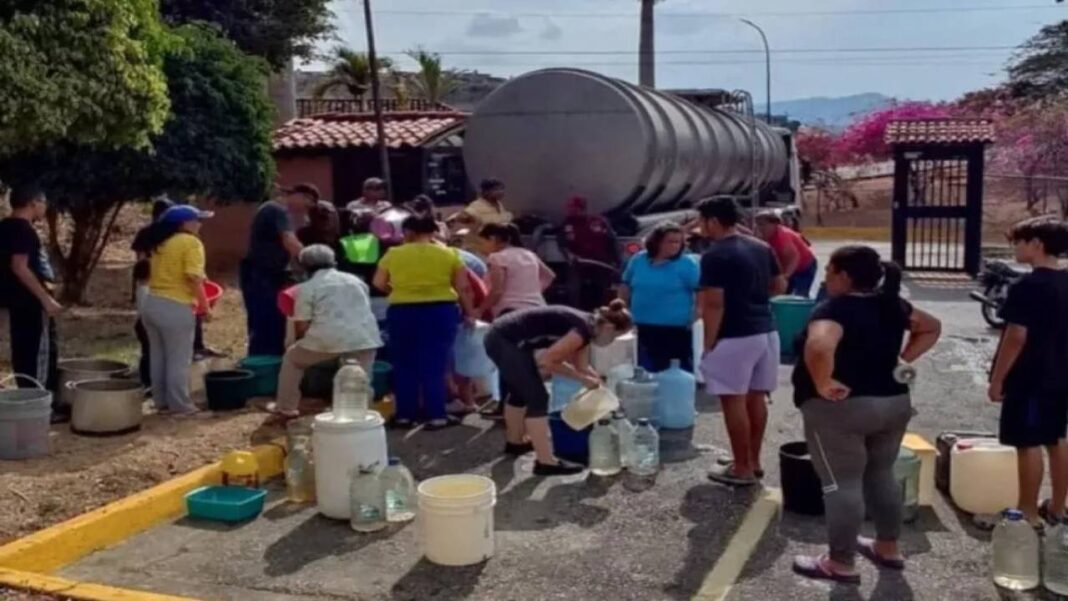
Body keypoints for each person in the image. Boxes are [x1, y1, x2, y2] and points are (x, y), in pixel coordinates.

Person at [791, 246, 941, 583]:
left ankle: (840, 562)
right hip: (892, 404)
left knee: (840, 483)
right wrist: (903, 359)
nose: (826, 278)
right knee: (881, 473)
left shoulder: (833, 310)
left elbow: (819, 346)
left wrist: (822, 382)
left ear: (844, 276)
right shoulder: (892, 305)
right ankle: (888, 547)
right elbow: (931, 327)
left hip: (841, 410)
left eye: (829, 271)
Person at [484, 302, 633, 476]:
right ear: (608, 327)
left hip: (506, 337)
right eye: (615, 336)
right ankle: (546, 462)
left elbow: (582, 366)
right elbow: (548, 361)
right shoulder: (582, 330)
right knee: (538, 398)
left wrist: (598, 383)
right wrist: (583, 379)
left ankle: (515, 442)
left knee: (520, 391)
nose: (612, 342)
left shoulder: (589, 327)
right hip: (504, 339)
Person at [697, 197, 786, 487]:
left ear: (712, 221)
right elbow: (779, 284)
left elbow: (713, 304)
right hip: (766, 330)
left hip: (733, 334)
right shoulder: (761, 247)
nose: (700, 227)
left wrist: (709, 344)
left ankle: (742, 468)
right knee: (756, 398)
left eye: (702, 221)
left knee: (732, 400)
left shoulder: (715, 255)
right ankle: (753, 460)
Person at [988, 218, 1068, 529]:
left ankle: (1028, 512)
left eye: (1018, 242)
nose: (1015, 249)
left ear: (1036, 244)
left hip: (1030, 376)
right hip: (1061, 373)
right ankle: (1058, 507)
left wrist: (997, 379)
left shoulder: (1027, 286)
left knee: (1028, 440)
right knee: (1056, 437)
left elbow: (1015, 337)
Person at [373, 215, 477, 428]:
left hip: (402, 311)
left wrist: (399, 291)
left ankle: (405, 415)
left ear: (408, 232)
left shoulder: (393, 253)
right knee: (436, 363)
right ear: (432, 232)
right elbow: (463, 287)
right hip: (441, 311)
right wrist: (470, 313)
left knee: (404, 363)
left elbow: (378, 282)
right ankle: (437, 415)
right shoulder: (450, 254)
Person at [271, 245, 382, 419]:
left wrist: (298, 342)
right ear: (333, 262)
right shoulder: (356, 281)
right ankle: (362, 413)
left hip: (327, 339)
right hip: (365, 337)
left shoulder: (306, 288)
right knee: (359, 375)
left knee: (292, 360)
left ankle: (286, 407)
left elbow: (301, 326)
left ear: (304, 266)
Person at [139, 205, 215, 416]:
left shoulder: (160, 243)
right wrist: (205, 306)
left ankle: (161, 402)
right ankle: (181, 406)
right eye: (197, 219)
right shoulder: (191, 242)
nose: (200, 224)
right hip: (175, 306)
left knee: (158, 356)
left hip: (152, 303)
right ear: (184, 223)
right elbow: (193, 278)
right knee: (178, 359)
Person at [0, 183, 63, 418]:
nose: (45, 207)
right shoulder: (22, 230)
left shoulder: (4, 227)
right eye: (43, 202)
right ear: (33, 203)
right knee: (41, 352)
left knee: (23, 351)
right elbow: (20, 267)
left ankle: (27, 401)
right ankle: (42, 405)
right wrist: (45, 299)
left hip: (16, 302)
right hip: (30, 302)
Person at [241, 184, 317, 356]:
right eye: (308, 203)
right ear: (300, 196)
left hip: (263, 273)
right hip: (262, 275)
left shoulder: (274, 210)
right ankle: (266, 363)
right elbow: (289, 240)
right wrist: (313, 260)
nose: (306, 209)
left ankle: (265, 360)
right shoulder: (277, 210)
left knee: (267, 322)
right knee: (268, 322)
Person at [619, 221, 701, 372]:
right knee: (643, 371)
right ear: (656, 241)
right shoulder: (639, 260)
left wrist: (696, 314)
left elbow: (700, 291)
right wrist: (621, 308)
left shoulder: (686, 264)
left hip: (675, 329)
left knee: (672, 373)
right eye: (670, 242)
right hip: (641, 326)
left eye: (678, 242)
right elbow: (625, 284)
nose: (675, 246)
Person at [477, 223, 554, 319]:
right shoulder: (528, 254)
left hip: (511, 311)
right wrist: (532, 292)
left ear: (492, 239)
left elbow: (497, 291)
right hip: (538, 307)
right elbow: (549, 276)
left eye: (482, 243)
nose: (480, 248)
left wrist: (480, 310)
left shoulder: (497, 257)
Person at [755, 211, 818, 297]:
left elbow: (795, 258)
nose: (759, 228)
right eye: (758, 224)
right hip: (788, 268)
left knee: (799, 296)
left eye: (763, 224)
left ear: (774, 224)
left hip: (804, 267)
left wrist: (785, 277)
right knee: (781, 294)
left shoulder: (782, 237)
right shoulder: (764, 237)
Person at [452, 178, 514, 252]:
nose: (500, 192)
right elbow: (461, 217)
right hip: (478, 248)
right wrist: (468, 219)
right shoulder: (477, 205)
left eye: (501, 189)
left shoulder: (499, 205)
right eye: (496, 189)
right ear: (485, 192)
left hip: (496, 248)